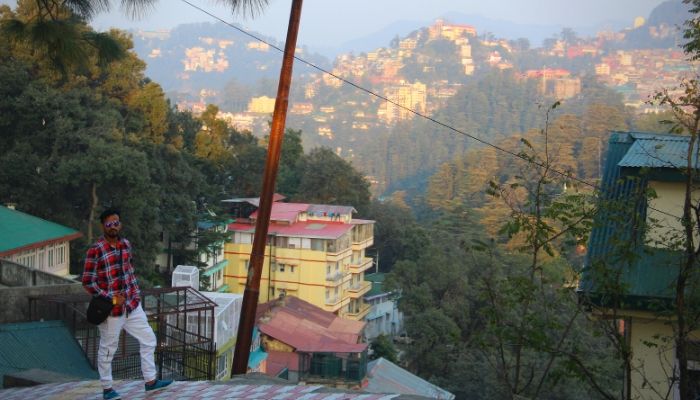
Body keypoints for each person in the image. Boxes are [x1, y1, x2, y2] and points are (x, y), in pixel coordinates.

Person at [82, 208, 172, 400]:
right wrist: (111, 298)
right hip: (111, 310)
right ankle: (107, 389)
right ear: (103, 226)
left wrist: (135, 293)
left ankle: (150, 381)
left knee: (149, 339)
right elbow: (88, 281)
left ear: (120, 224)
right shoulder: (96, 249)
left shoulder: (125, 245)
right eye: (109, 224)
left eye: (116, 223)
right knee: (108, 349)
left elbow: (129, 272)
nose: (113, 227)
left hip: (132, 305)